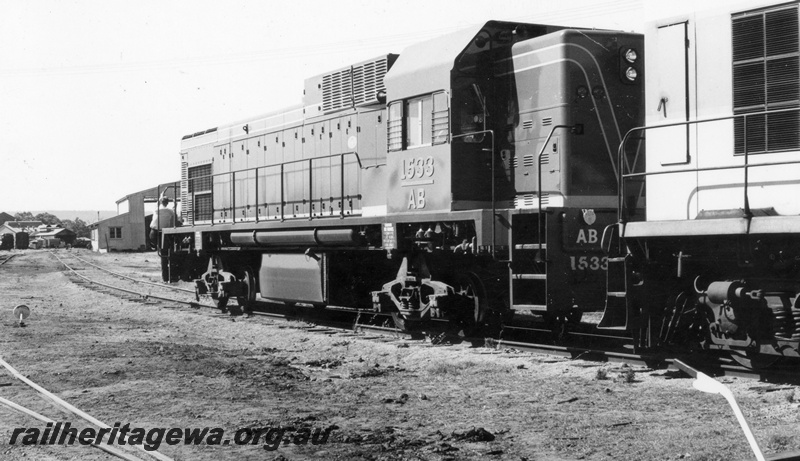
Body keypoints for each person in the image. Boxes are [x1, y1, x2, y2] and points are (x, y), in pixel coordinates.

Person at [150, 197, 181, 281]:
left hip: (154, 232)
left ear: (161, 202)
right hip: (164, 233)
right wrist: (175, 204)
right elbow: (174, 212)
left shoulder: (156, 210)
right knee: (166, 254)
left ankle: (153, 246)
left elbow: (156, 204)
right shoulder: (170, 211)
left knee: (163, 255)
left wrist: (160, 197)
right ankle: (168, 276)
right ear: (167, 203)